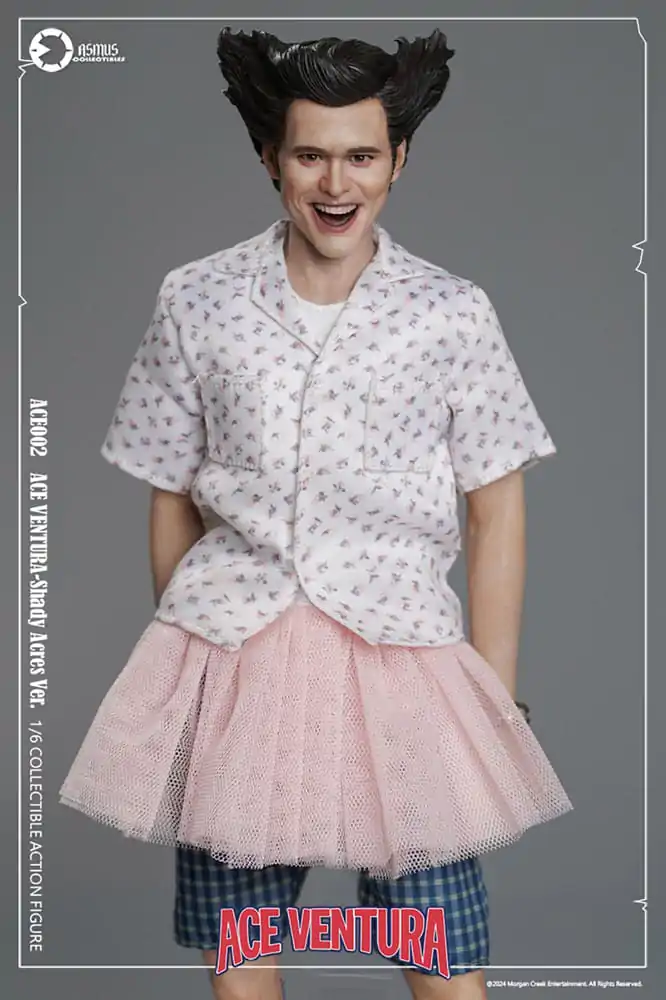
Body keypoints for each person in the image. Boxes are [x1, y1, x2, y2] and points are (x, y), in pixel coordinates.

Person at [59, 26, 573, 1000]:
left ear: (399, 159)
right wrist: (192, 664)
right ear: (271, 158)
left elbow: (495, 510)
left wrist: (495, 700)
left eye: (362, 156)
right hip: (238, 661)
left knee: (442, 954)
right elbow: (170, 492)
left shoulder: (450, 312)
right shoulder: (197, 299)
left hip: (402, 661)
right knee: (243, 954)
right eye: (310, 155)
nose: (337, 183)